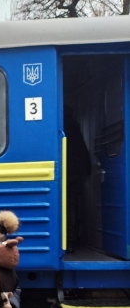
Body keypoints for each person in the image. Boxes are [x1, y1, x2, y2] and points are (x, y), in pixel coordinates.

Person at [64, 108, 91, 253]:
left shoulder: (62, 123)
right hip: (80, 168)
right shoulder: (74, 123)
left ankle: (67, 242)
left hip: (70, 169)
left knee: (67, 205)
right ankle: (69, 241)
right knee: (70, 205)